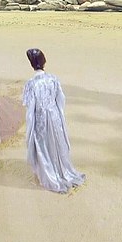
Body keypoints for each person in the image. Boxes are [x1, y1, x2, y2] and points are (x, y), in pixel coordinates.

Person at [22, 48, 86, 193]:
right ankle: (63, 170)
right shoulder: (53, 79)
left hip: (41, 120)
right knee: (57, 143)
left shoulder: (31, 84)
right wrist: (57, 113)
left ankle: (50, 174)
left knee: (44, 147)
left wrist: (30, 128)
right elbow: (61, 99)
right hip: (54, 115)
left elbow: (30, 109)